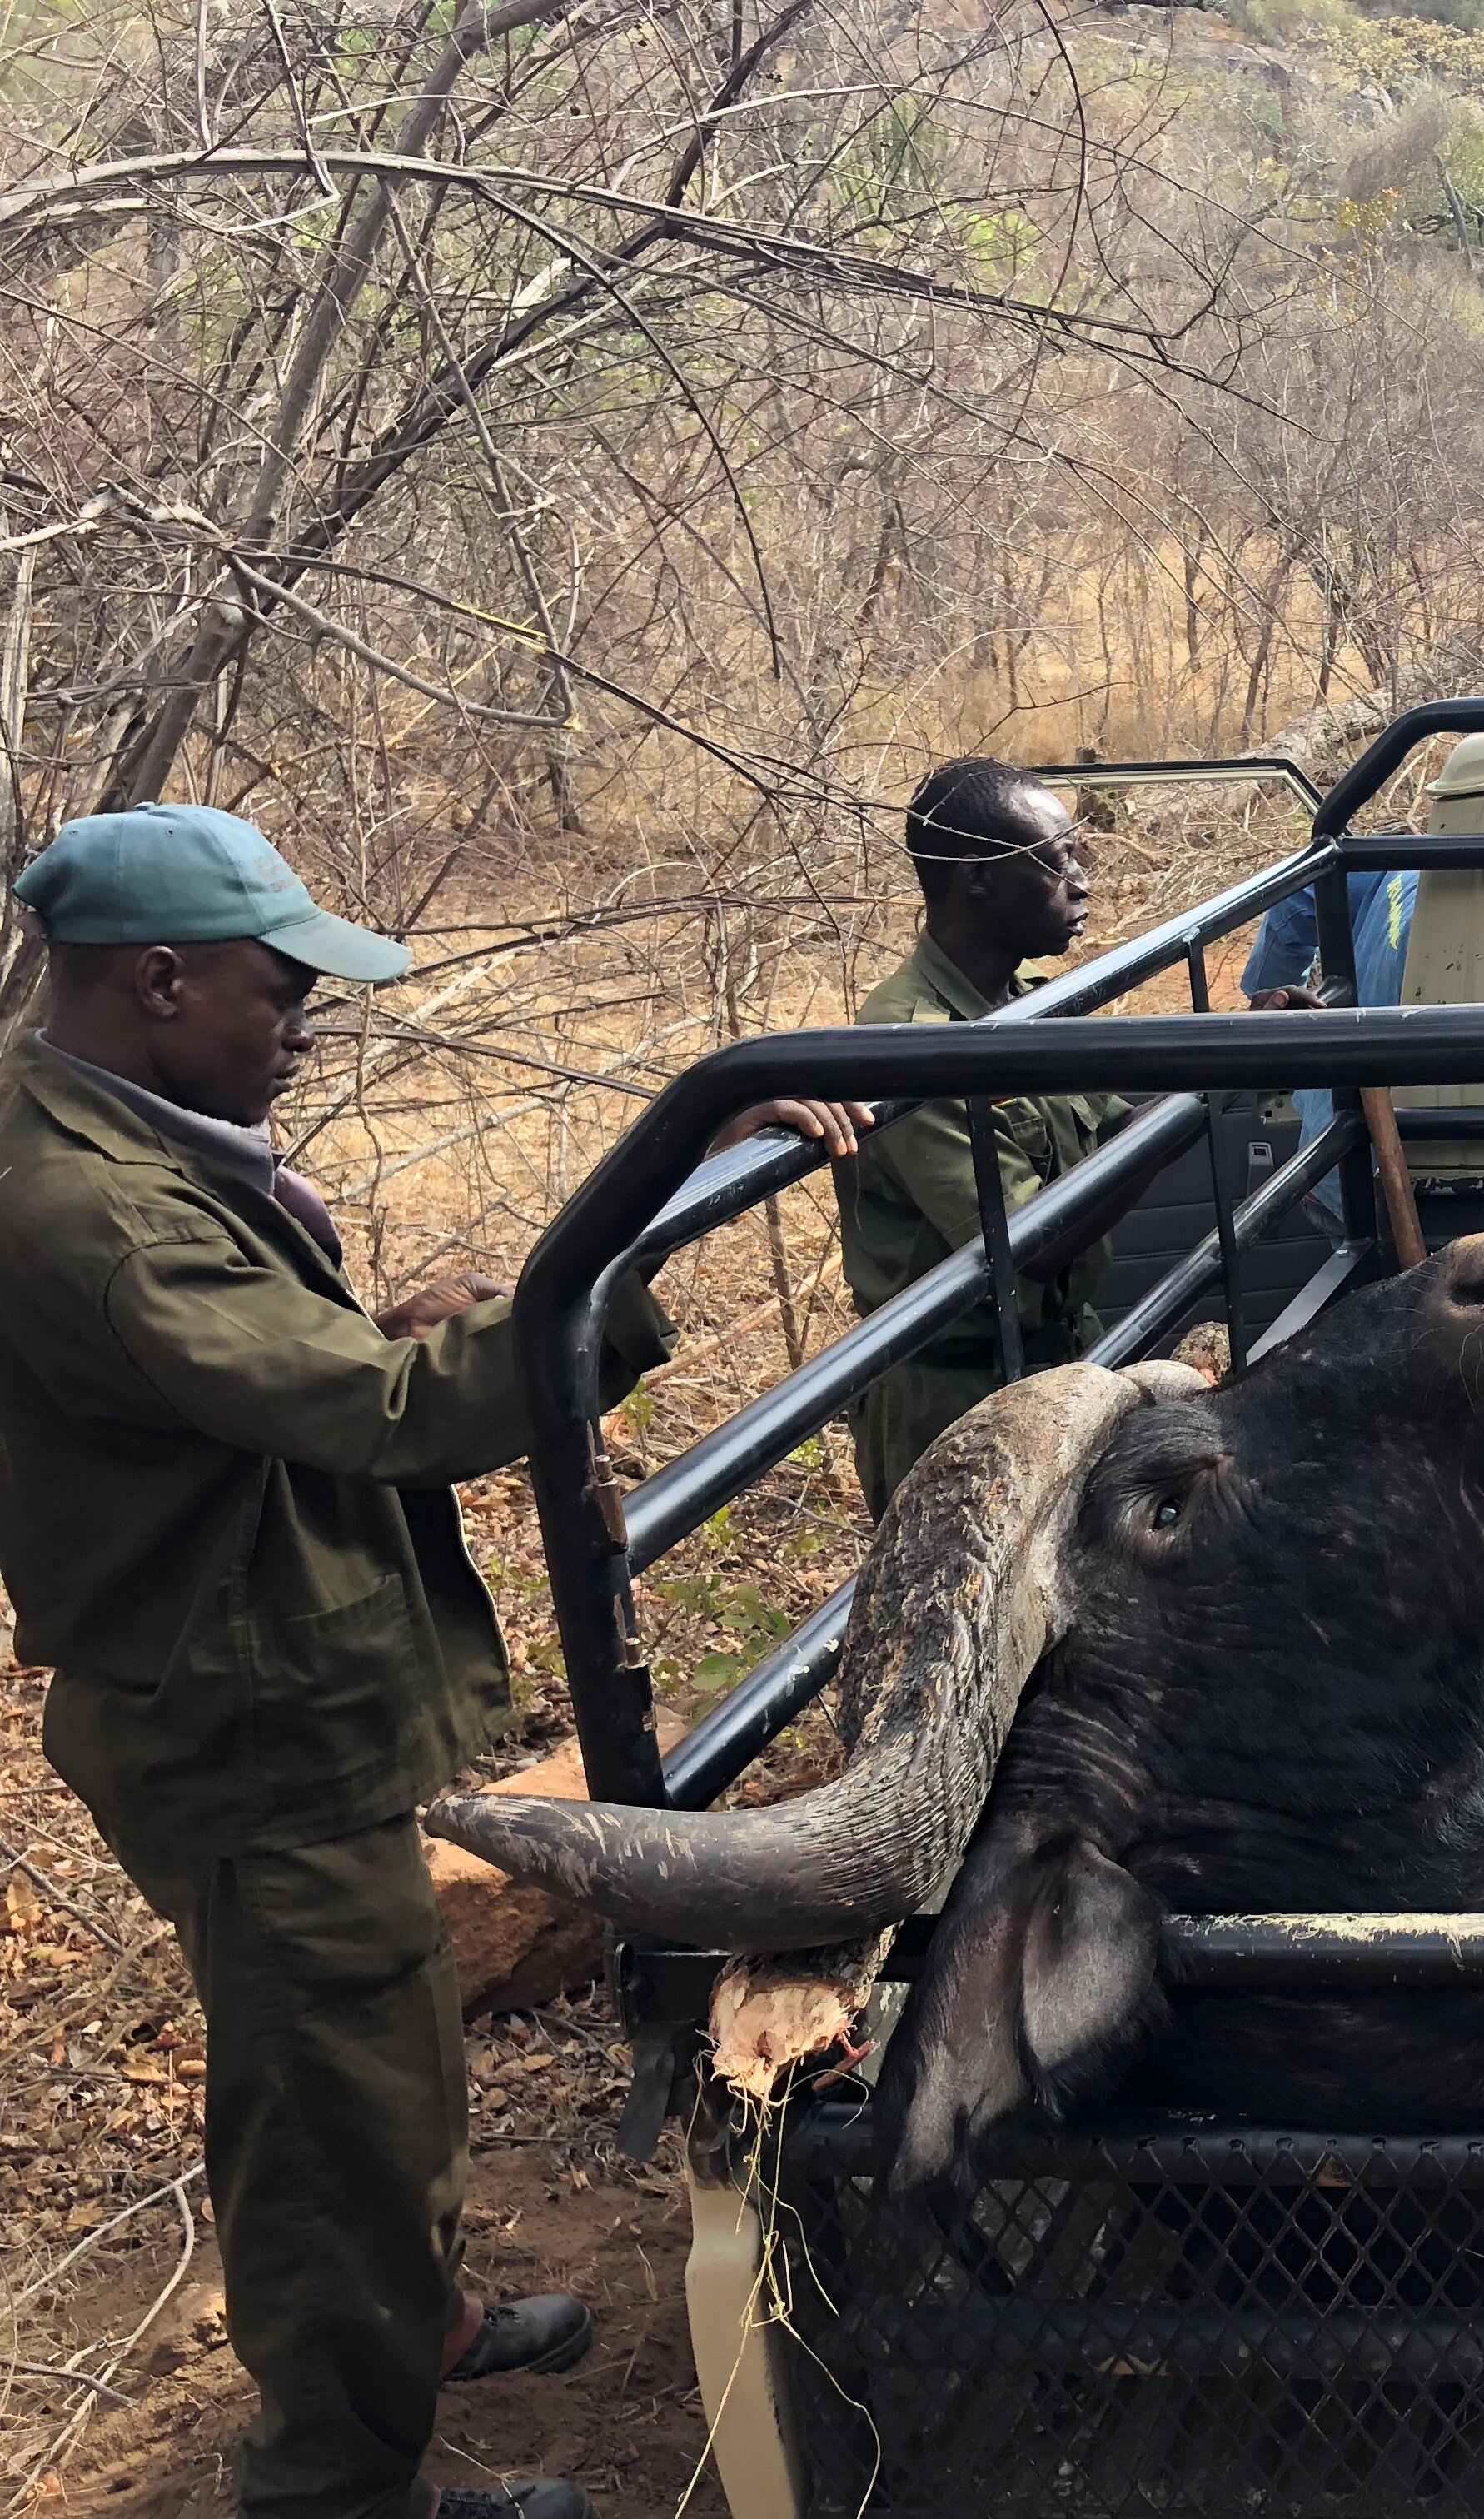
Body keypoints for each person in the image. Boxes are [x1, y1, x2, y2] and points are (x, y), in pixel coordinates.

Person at [0, 805, 858, 2519]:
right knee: (335, 2115)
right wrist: (642, 1216)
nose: (305, 1021)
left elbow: (271, 1375)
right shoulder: (86, 1211)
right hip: (241, 1722)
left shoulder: (115, 1129)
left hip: (266, 1683)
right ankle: (335, 2481)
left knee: (378, 2050)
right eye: (279, 988)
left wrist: (368, 1322)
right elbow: (383, 1415)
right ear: (160, 981)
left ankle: (426, 2323)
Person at [836, 758, 1134, 1515]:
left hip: (1059, 1355)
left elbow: (1115, 1124)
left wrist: (1238, 1047)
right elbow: (1031, 1241)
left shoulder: (1034, 1004)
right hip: (954, 1399)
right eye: (1057, 860)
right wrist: (1201, 1096)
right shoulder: (911, 1041)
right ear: (976, 881)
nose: (1083, 882)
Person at [1239, 863, 1418, 1223]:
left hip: (1331, 1153)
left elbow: (1292, 906)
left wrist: (1265, 1012)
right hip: (1377, 1175)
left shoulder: (1396, 864)